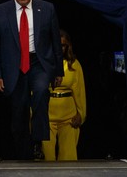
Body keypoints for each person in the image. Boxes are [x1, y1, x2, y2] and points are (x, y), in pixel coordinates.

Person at [0, 0, 63, 160]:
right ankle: (25, 154)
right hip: (13, 66)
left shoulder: (46, 9)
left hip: (39, 62)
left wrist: (59, 71)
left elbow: (55, 41)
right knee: (19, 111)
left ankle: (38, 139)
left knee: (40, 92)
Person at [42, 29, 86, 162]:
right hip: (46, 116)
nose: (59, 47)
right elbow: (34, 92)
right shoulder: (42, 64)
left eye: (63, 45)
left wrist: (81, 114)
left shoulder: (74, 65)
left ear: (67, 46)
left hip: (68, 118)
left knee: (68, 159)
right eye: (56, 44)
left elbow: (80, 92)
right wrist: (34, 115)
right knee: (47, 159)